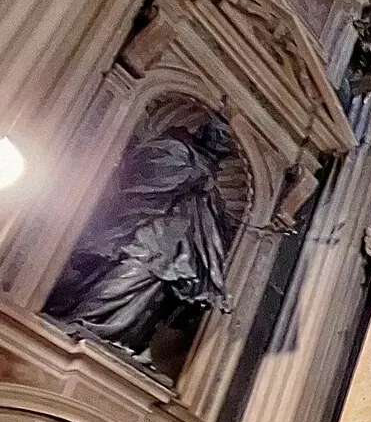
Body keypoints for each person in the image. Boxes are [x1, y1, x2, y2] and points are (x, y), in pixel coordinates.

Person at [49, 119, 235, 362]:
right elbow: (146, 175)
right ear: (205, 133)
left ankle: (123, 339)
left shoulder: (211, 183)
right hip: (151, 235)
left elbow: (214, 224)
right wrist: (193, 175)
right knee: (128, 276)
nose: (220, 144)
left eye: (225, 141)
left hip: (177, 250)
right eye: (219, 135)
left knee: (151, 297)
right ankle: (85, 319)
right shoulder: (177, 150)